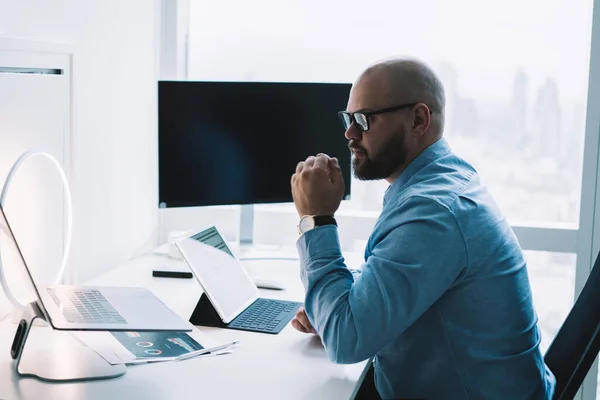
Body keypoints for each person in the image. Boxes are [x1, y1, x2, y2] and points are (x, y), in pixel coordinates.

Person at [289, 56, 556, 400]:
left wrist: (317, 219)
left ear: (418, 119)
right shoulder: (439, 182)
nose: (350, 133)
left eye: (363, 120)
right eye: (347, 118)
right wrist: (335, 306)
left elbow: (345, 340)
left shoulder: (433, 212)